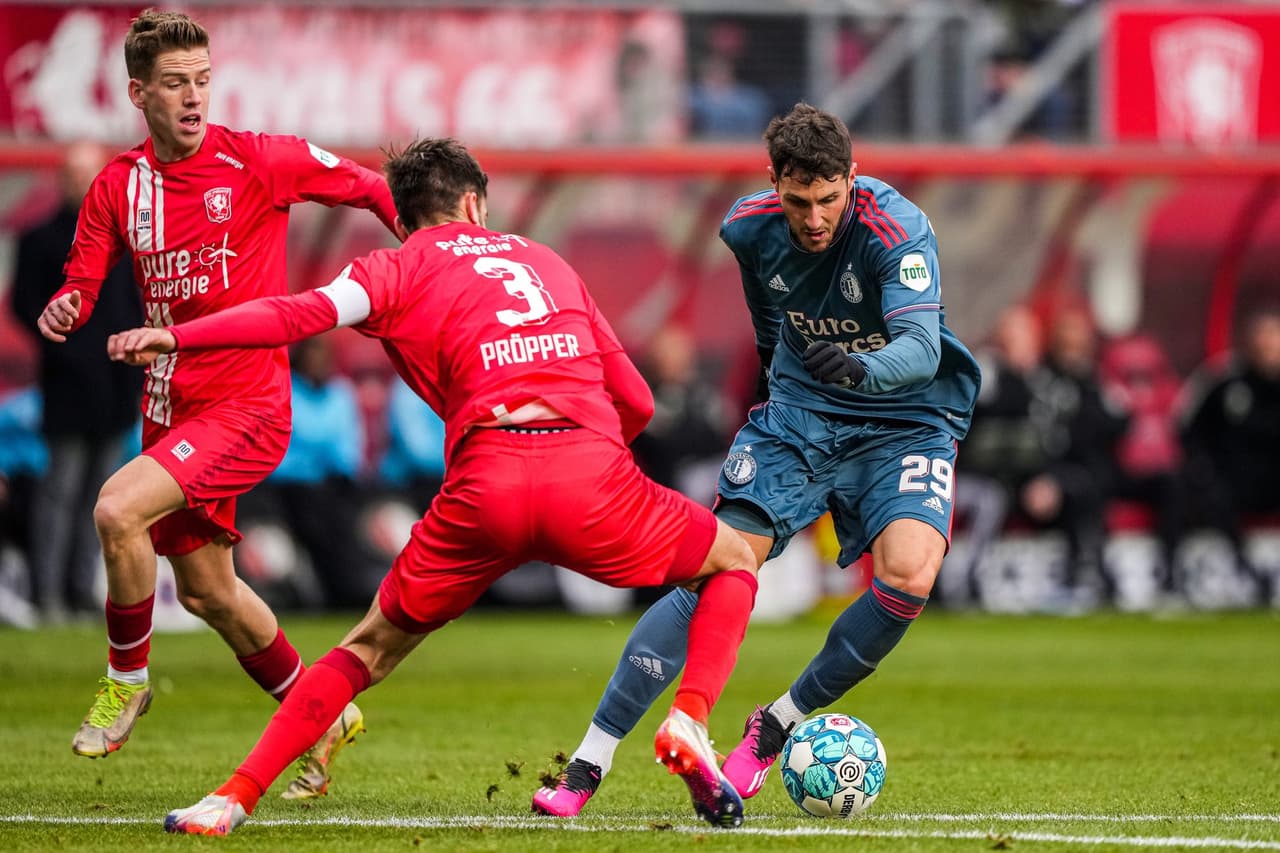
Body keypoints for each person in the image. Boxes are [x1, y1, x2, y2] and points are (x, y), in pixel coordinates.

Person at [108, 137, 761, 834]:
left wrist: (181, 338)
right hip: (590, 475)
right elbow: (634, 399)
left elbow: (296, 315)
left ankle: (230, 797)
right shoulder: (546, 261)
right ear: (475, 203)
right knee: (733, 562)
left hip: (486, 484)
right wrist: (596, 462)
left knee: (365, 650)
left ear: (404, 212)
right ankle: (690, 717)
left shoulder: (392, 267)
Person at [532, 102, 981, 816]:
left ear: (852, 180)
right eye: (798, 200)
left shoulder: (898, 230)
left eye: (829, 199)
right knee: (719, 559)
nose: (813, 218)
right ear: (774, 183)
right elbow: (768, 320)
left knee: (909, 574)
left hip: (905, 418)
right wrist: (788, 393)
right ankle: (587, 763)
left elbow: (923, 350)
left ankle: (776, 722)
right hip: (803, 416)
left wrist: (860, 372)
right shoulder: (746, 228)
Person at [35, 9, 398, 799]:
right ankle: (322, 716)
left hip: (250, 403)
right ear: (139, 93)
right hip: (171, 406)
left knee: (113, 509)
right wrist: (67, 305)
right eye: (174, 85)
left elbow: (372, 187)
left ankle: (126, 679)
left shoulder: (262, 161)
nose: (193, 97)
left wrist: (442, 253)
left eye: (202, 80)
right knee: (207, 591)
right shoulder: (118, 187)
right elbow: (82, 282)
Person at [10, 140, 143, 622]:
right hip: (66, 388)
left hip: (115, 388)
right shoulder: (42, 239)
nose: (81, 184)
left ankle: (84, 589)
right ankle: (47, 593)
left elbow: (139, 303)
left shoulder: (125, 239)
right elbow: (25, 304)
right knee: (59, 494)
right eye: (73, 174)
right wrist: (62, 347)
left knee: (103, 501)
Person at [1180, 306, 1280, 606]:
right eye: (1260, 338)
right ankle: (1243, 574)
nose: (1265, 345)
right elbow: (1190, 432)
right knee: (1199, 493)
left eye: (1272, 338)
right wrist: (1204, 470)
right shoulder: (1224, 383)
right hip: (1234, 483)